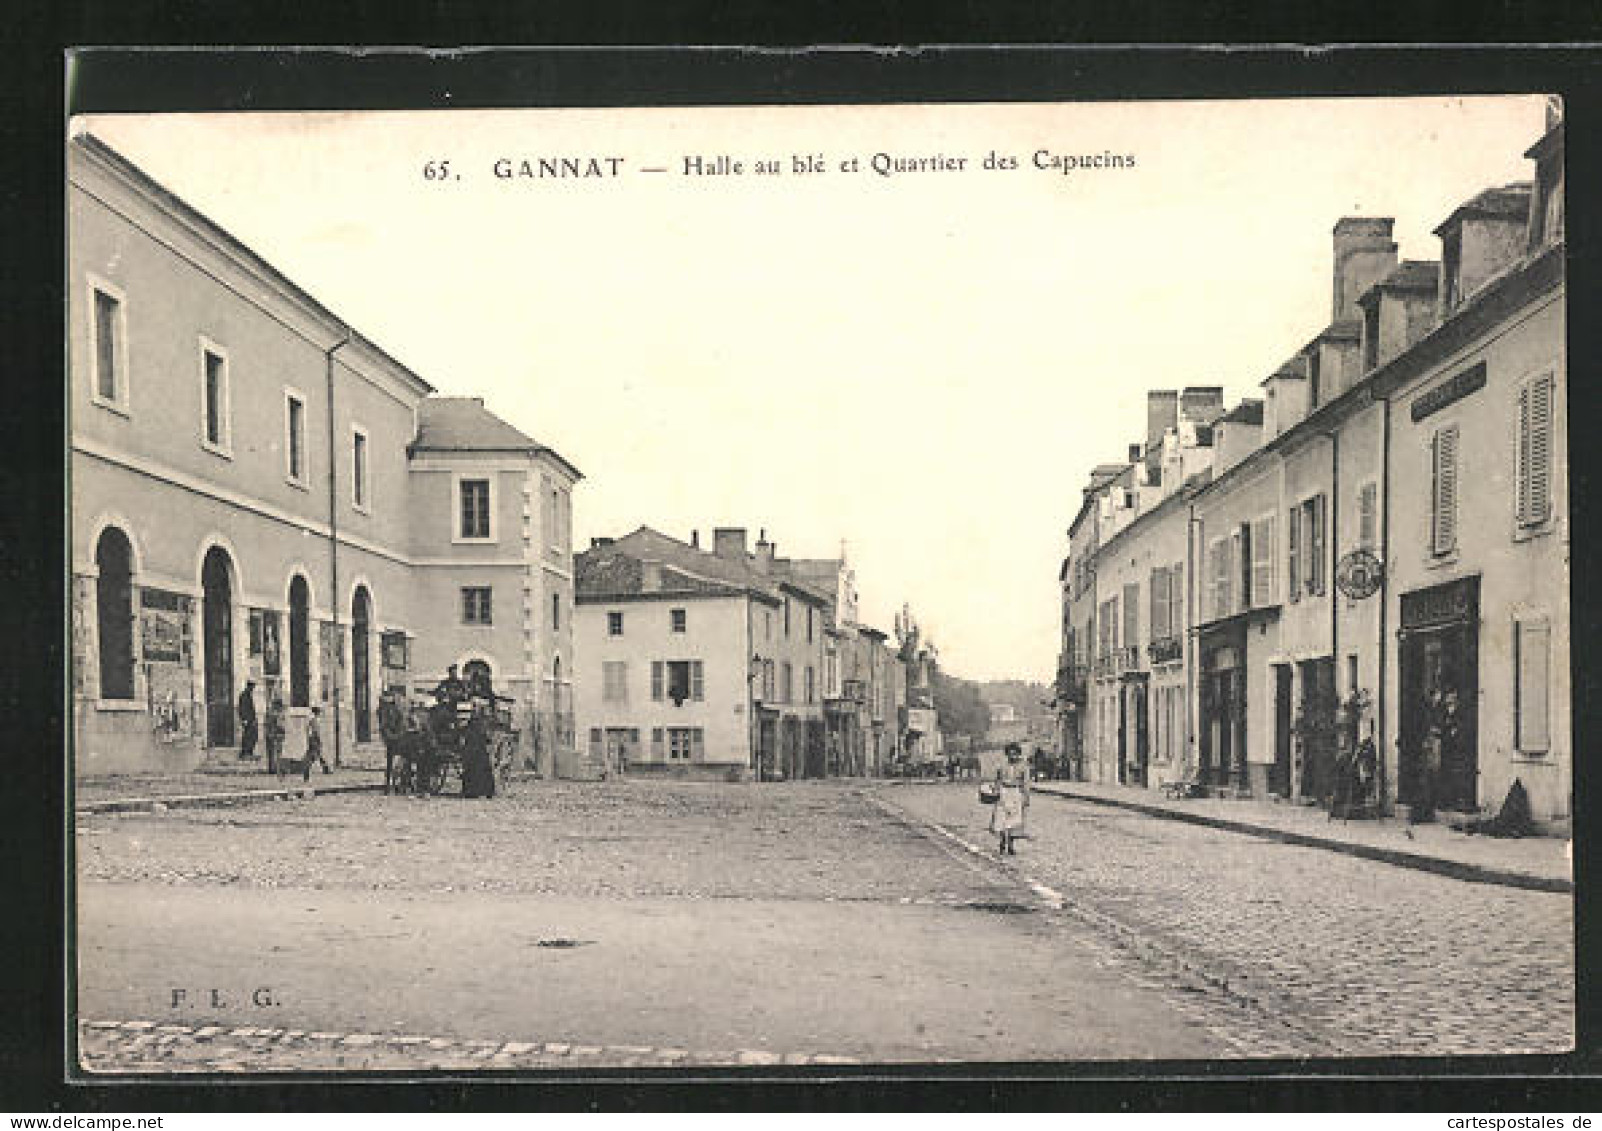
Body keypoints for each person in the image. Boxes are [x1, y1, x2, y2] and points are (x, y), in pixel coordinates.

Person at [989, 742, 1031, 856]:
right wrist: (996, 791)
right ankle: (1002, 842)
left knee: (1014, 820)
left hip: (1016, 793)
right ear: (1007, 754)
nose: (1013, 756)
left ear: (1019, 754)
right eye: (1010, 754)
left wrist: (1026, 797)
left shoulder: (1024, 767)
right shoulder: (1002, 766)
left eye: (1015, 754)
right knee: (1002, 818)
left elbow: (1026, 783)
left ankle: (1011, 845)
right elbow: (997, 780)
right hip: (1004, 792)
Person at [305, 706, 332, 775]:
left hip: (312, 738)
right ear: (317, 713)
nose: (320, 713)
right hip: (315, 738)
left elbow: (308, 729)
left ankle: (325, 768)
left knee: (318, 754)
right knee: (316, 755)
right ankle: (307, 768)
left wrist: (309, 737)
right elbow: (316, 731)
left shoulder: (312, 720)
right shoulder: (315, 720)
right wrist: (318, 739)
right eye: (319, 712)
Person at [263, 694, 287, 775]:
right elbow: (280, 725)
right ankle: (276, 768)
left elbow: (265, 724)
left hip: (269, 734)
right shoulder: (277, 714)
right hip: (276, 734)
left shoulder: (269, 712)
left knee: (270, 753)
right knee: (278, 752)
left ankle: (271, 768)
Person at [237, 680, 258, 759]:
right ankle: (244, 753)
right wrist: (244, 719)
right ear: (249, 686)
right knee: (248, 736)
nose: (253, 689)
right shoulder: (244, 695)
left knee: (252, 735)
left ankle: (249, 751)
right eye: (252, 687)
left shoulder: (248, 695)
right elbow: (242, 708)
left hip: (251, 719)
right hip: (247, 720)